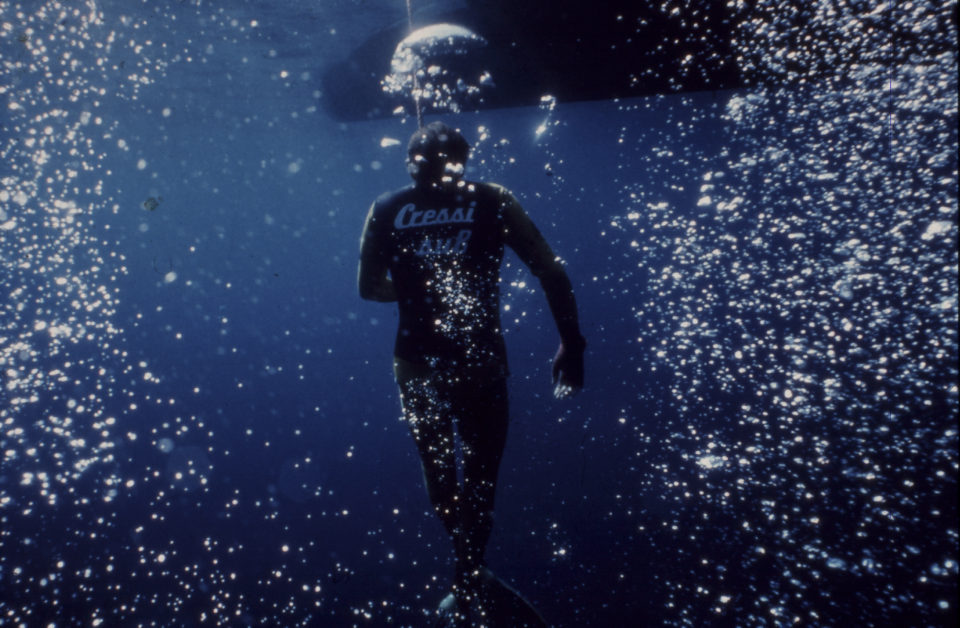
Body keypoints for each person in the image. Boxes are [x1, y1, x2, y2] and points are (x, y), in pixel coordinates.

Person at [357, 121, 585, 620]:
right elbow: (549, 269)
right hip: (480, 363)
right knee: (481, 478)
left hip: (416, 363)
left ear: (411, 162)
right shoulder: (492, 199)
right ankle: (468, 575)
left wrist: (415, 292)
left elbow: (369, 289)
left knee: (441, 477)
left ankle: (469, 578)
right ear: (464, 159)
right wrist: (572, 343)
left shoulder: (387, 207)